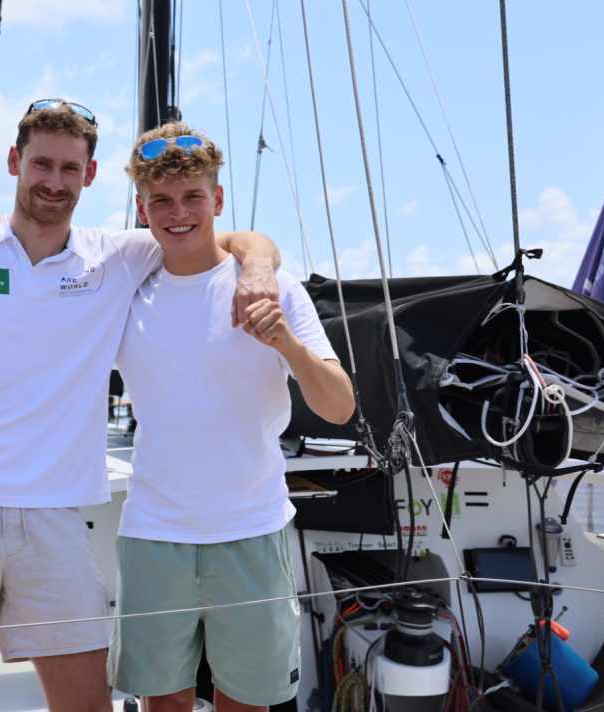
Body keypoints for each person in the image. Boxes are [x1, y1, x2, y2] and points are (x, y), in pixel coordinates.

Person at [0, 100, 283, 712]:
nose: (53, 181)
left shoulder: (116, 256)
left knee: (88, 704)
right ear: (15, 162)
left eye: (68, 168)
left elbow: (228, 235)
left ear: (89, 175)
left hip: (54, 514)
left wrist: (260, 269)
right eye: (41, 164)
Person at [107, 122, 355, 712]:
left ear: (217, 200)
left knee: (245, 703)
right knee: (160, 704)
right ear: (143, 210)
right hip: (153, 534)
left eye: (193, 197)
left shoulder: (274, 287)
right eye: (161, 202)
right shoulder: (124, 288)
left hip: (252, 528)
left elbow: (340, 407)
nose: (178, 213)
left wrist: (287, 344)